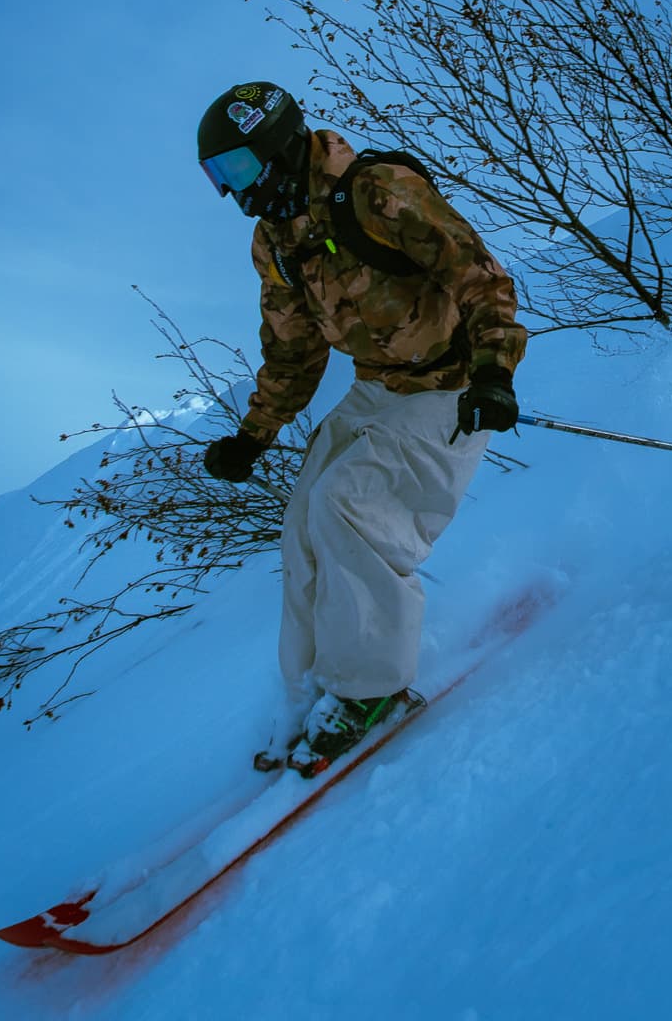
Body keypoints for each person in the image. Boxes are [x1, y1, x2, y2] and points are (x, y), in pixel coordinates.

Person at [194, 80, 527, 773]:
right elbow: (293, 350)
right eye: (219, 177)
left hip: (450, 384)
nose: (235, 190)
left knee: (351, 509)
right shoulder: (275, 240)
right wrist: (254, 435)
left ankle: (371, 689)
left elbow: (479, 274)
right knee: (303, 522)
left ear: (280, 148)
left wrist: (496, 369)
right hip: (378, 387)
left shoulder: (377, 192)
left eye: (241, 169)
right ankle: (315, 690)